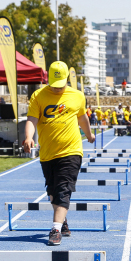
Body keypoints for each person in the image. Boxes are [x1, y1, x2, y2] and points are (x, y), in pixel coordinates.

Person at [23, 61, 95, 246]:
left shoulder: (77, 96)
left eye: (60, 85)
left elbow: (82, 117)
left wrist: (89, 134)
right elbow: (32, 118)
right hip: (47, 153)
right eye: (54, 85)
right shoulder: (38, 96)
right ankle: (62, 221)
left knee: (63, 189)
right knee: (53, 191)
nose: (57, 89)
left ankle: (55, 229)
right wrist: (29, 137)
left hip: (71, 151)